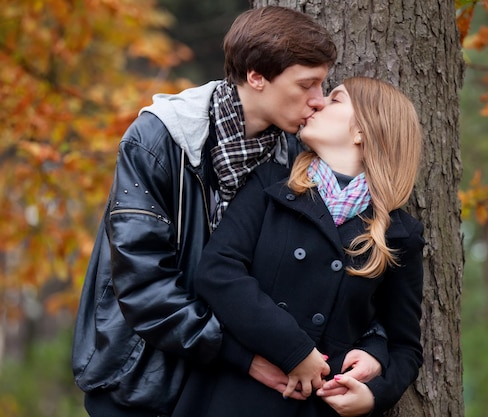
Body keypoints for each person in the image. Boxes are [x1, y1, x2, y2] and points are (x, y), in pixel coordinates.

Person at [71, 7, 389, 417]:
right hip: (142, 380)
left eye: (322, 84)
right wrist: (245, 356)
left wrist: (376, 352)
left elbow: (338, 278)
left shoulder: (296, 159)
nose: (318, 100)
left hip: (226, 394)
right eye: (306, 84)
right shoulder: (158, 140)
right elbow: (142, 284)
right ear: (256, 76)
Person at [171, 76, 425, 417]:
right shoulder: (269, 184)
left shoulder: (399, 233)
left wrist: (373, 395)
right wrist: (294, 349)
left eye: (335, 100)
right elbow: (217, 272)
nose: (318, 102)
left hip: (317, 407)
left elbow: (404, 345)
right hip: (230, 395)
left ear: (361, 131)